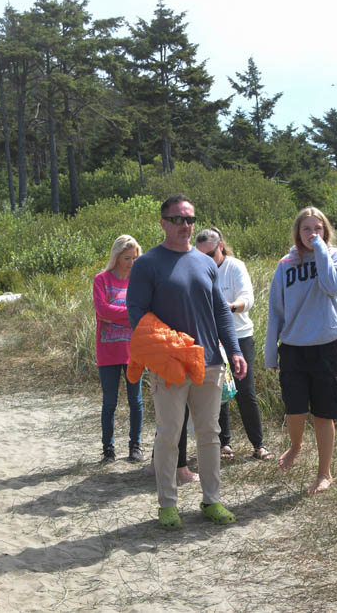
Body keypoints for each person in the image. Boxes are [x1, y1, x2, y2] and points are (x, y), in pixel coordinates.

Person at [127, 194, 247, 530]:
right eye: (178, 219)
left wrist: (234, 350)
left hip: (209, 362)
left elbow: (221, 311)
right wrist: (164, 349)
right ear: (163, 221)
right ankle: (167, 504)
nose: (185, 225)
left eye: (190, 219)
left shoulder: (206, 262)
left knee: (210, 434)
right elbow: (136, 313)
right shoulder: (147, 264)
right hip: (169, 365)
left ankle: (212, 500)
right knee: (169, 434)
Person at [264, 207, 337, 494]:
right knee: (294, 409)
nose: (312, 233)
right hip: (292, 347)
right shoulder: (285, 264)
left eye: (318, 228)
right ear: (297, 232)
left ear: (325, 230)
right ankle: (296, 446)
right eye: (306, 229)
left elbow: (330, 286)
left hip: (327, 347)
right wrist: (270, 352)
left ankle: (324, 473)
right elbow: (276, 310)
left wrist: (320, 250)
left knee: (323, 414)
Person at [193, 227, 272, 461]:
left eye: (209, 254)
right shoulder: (196, 269)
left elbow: (247, 299)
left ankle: (259, 445)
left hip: (239, 336)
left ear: (220, 247)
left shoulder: (234, 266)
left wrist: (225, 309)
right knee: (218, 391)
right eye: (200, 255)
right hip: (210, 340)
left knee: (245, 391)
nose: (205, 260)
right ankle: (224, 444)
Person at [93, 235, 144, 463]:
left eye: (134, 258)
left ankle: (135, 446)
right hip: (108, 351)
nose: (131, 263)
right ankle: (108, 449)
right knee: (110, 402)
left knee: (136, 401)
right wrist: (130, 315)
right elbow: (102, 310)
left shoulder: (139, 281)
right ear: (116, 257)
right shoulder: (101, 280)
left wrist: (119, 316)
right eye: (126, 258)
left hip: (135, 351)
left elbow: (143, 311)